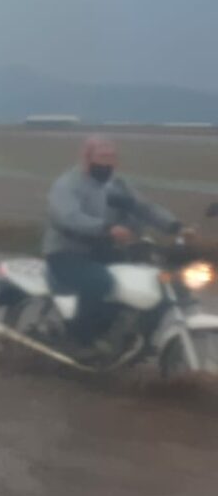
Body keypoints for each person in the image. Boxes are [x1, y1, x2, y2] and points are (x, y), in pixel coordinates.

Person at [43, 136, 184, 352]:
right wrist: (107, 228)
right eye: (102, 156)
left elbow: (142, 207)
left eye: (112, 157)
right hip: (66, 252)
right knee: (100, 282)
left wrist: (174, 225)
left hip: (101, 250)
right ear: (87, 157)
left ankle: (129, 337)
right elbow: (68, 217)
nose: (108, 162)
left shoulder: (117, 185)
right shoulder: (68, 184)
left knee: (151, 280)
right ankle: (79, 340)